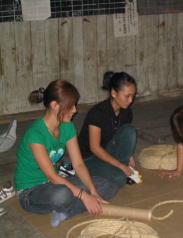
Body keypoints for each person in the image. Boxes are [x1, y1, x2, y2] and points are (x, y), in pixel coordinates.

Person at [14, 80, 118, 227]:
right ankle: (68, 205)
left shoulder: (68, 127)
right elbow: (52, 176)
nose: (75, 110)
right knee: (63, 194)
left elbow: (78, 164)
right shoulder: (35, 134)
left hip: (56, 182)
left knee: (108, 185)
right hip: (31, 191)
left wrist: (93, 192)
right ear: (55, 106)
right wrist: (83, 195)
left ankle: (65, 212)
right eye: (71, 106)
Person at [78, 72, 137, 187]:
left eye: (133, 96)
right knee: (118, 177)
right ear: (114, 93)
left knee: (130, 130)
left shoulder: (126, 112)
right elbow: (94, 148)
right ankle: (117, 169)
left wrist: (129, 156)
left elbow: (122, 135)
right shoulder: (97, 113)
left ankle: (120, 168)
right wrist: (120, 166)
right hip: (89, 158)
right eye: (127, 96)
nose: (131, 100)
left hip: (107, 151)